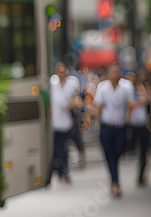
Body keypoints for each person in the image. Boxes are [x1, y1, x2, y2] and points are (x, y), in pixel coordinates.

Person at [91, 64, 135, 199]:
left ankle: (114, 179)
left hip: (121, 127)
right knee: (109, 155)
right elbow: (97, 106)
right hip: (106, 127)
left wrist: (128, 118)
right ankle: (115, 182)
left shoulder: (127, 86)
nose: (114, 74)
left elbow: (130, 104)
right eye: (112, 72)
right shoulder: (102, 87)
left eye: (116, 72)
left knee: (120, 150)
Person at [49, 61, 82, 185]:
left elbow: (77, 98)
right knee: (59, 148)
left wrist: (74, 103)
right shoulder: (53, 83)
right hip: (56, 121)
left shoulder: (72, 83)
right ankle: (61, 171)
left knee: (65, 147)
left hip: (67, 120)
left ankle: (64, 170)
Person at [126, 70, 150, 187]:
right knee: (128, 148)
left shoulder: (140, 88)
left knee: (143, 152)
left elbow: (145, 101)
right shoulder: (125, 91)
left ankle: (141, 174)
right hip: (131, 126)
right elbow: (128, 105)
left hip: (142, 125)